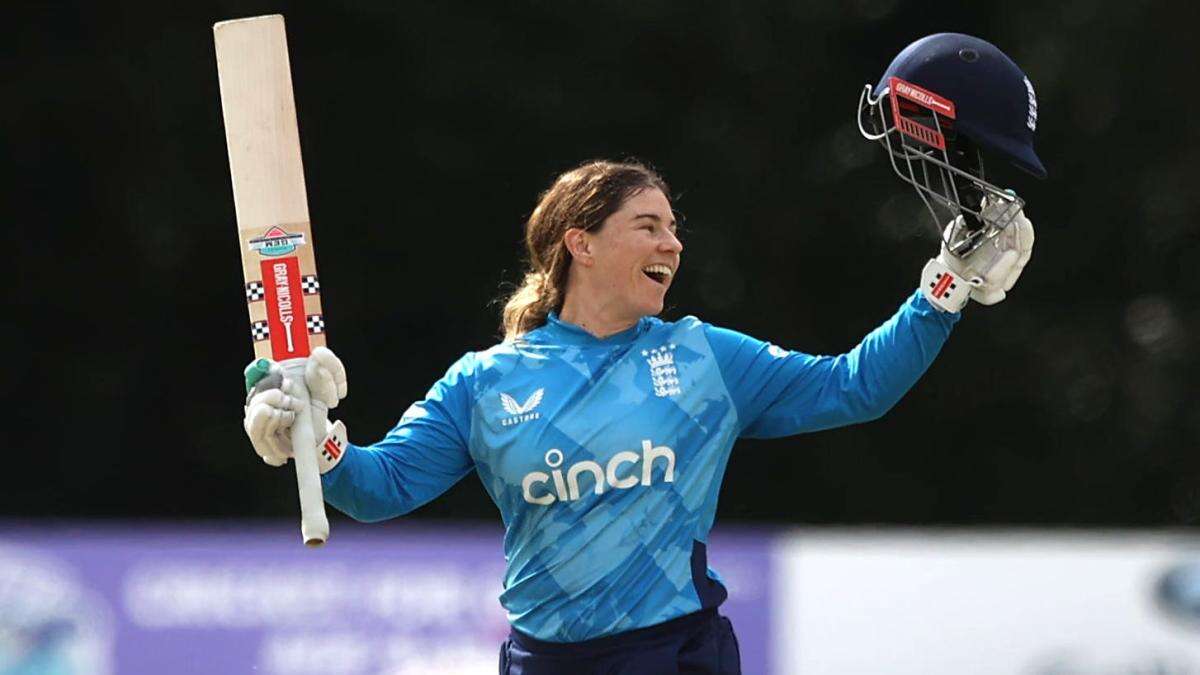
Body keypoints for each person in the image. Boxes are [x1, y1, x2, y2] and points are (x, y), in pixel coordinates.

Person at [242, 32, 1043, 675]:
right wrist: (316, 438)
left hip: (678, 654)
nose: (674, 243)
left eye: (674, 227)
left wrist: (941, 292)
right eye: (649, 226)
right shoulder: (486, 382)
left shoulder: (707, 360)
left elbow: (855, 387)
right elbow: (380, 487)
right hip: (545, 663)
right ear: (579, 243)